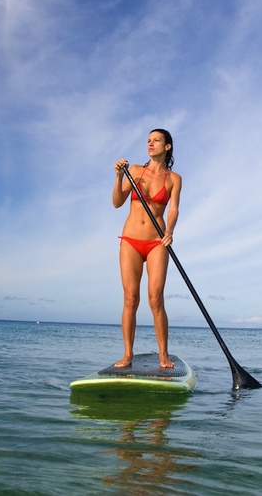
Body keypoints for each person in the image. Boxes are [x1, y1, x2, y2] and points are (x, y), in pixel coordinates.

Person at [112, 129, 182, 368]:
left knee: (156, 298)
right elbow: (117, 203)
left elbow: (173, 209)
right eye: (148, 141)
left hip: (157, 242)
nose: (150, 144)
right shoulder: (134, 171)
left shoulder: (174, 179)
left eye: (156, 140)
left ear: (167, 146)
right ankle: (127, 354)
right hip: (131, 240)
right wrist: (118, 177)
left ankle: (163, 354)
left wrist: (170, 230)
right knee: (131, 298)